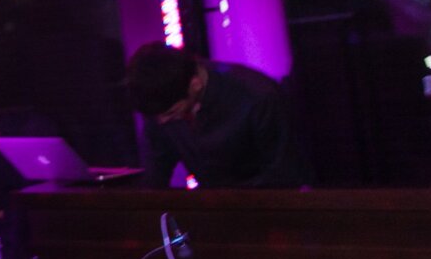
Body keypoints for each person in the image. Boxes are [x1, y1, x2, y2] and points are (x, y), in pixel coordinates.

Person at [127, 43, 311, 189]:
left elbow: (285, 175)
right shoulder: (161, 102)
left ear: (195, 84)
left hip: (265, 212)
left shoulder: (257, 97)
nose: (162, 121)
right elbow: (155, 176)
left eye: (171, 113)